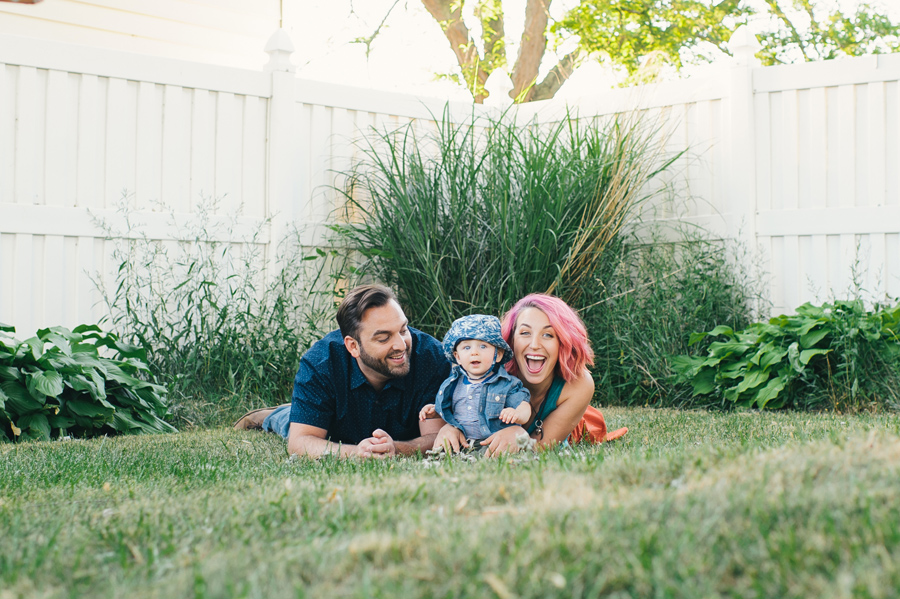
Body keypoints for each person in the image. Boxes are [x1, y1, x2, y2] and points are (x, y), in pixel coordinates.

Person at [233, 284, 450, 458]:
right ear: (353, 346)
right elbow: (300, 442)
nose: (401, 345)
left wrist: (397, 449)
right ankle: (273, 415)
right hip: (335, 428)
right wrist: (358, 452)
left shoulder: (432, 356)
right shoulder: (320, 363)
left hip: (399, 431)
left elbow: (435, 435)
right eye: (384, 338)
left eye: (403, 329)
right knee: (290, 423)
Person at [432, 293, 627, 456]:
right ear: (510, 340)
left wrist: (521, 437)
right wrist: (450, 427)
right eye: (525, 333)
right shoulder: (489, 367)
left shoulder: (578, 384)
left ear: (563, 342)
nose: (534, 344)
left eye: (548, 335)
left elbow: (542, 446)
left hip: (573, 424)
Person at [418, 314, 531, 446]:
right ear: (458, 357)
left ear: (498, 355)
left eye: (483, 346)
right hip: (463, 442)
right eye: (467, 347)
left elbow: (524, 406)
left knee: (514, 449)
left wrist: (517, 413)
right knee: (443, 450)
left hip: (494, 442)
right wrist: (435, 411)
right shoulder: (452, 384)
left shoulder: (505, 384)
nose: (474, 352)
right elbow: (450, 410)